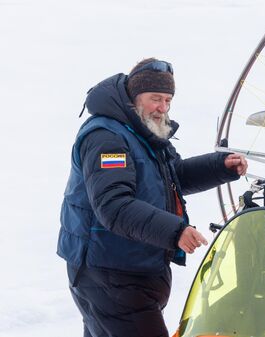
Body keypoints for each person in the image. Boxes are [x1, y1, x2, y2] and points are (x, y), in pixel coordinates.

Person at [57, 58, 248, 337]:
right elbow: (114, 206)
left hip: (132, 269)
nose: (162, 108)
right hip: (108, 273)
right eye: (155, 98)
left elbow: (173, 176)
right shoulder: (107, 139)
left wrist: (219, 167)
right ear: (135, 97)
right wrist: (176, 231)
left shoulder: (141, 130)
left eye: (168, 100)